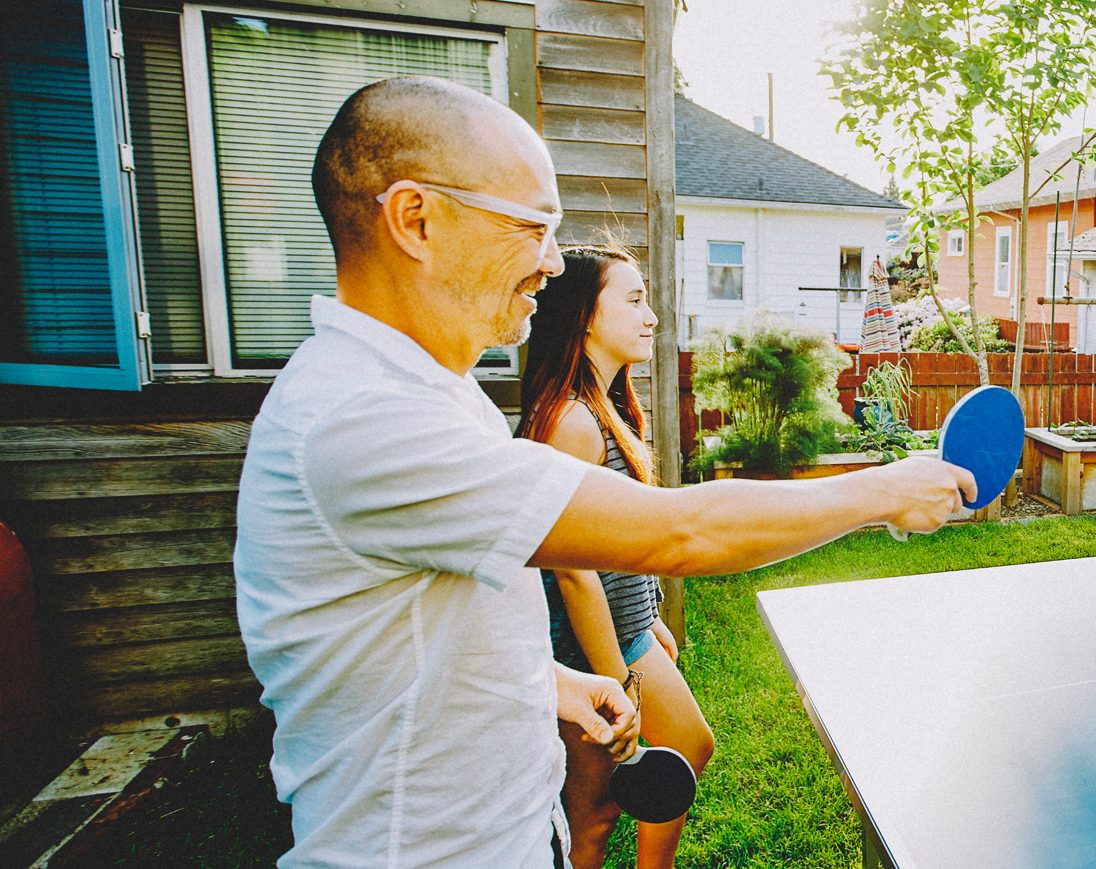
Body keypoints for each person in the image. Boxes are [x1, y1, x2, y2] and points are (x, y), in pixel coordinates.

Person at [235, 76, 972, 868]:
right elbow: (678, 532)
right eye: (532, 225)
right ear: (416, 219)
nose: (553, 263)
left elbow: (427, 630)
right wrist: (884, 488)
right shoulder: (363, 417)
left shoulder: (428, 395)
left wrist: (549, 681)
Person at [516, 246, 710, 868]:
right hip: (584, 649)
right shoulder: (570, 421)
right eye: (633, 300)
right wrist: (616, 684)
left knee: (686, 747)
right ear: (583, 317)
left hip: (626, 629)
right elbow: (571, 570)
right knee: (593, 817)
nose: (651, 316)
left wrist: (648, 615)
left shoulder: (607, 406)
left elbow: (615, 539)